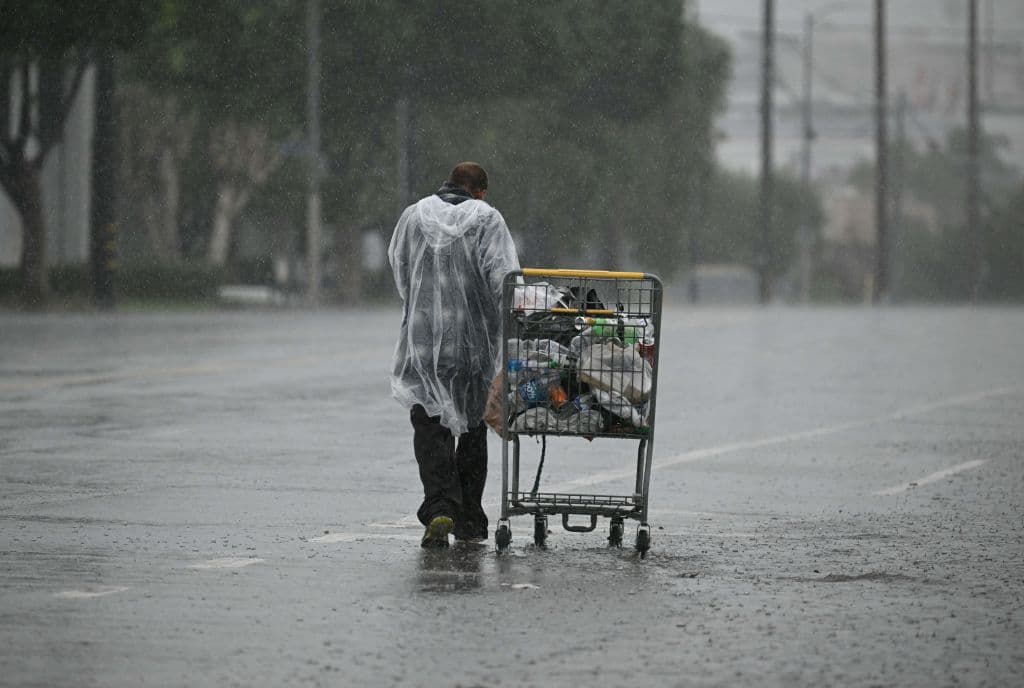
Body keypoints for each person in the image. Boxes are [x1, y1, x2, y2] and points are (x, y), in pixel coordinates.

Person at [388, 162, 520, 548]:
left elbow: (401, 268)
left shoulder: (414, 216)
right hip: (470, 347)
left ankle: (440, 504)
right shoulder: (486, 219)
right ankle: (468, 518)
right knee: (472, 428)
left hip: (423, 345)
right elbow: (503, 278)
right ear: (480, 191)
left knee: (431, 425)